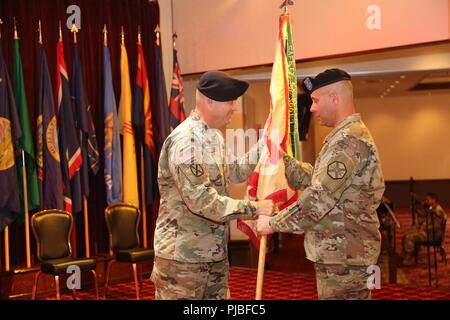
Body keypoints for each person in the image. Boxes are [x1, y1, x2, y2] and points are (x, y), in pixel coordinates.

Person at [257, 68, 385, 300]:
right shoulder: (342, 136)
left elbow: (318, 198)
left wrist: (273, 223)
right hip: (343, 254)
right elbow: (317, 179)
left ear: (334, 98)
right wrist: (284, 160)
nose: (312, 107)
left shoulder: (349, 140)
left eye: (316, 100)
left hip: (346, 259)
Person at [151, 71, 274, 300]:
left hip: (213, 255)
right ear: (210, 101)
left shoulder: (213, 136)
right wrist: (254, 208)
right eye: (230, 101)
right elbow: (201, 200)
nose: (234, 107)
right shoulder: (186, 141)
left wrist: (264, 143)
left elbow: (235, 172)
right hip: (183, 261)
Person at [401, 192, 447, 265]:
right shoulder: (433, 209)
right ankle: (406, 255)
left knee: (409, 237)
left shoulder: (438, 211)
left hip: (432, 235)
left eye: (428, 200)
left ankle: (408, 258)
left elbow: (436, 227)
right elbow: (426, 220)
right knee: (407, 233)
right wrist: (418, 213)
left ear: (434, 200)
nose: (426, 201)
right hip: (428, 232)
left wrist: (423, 228)